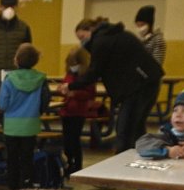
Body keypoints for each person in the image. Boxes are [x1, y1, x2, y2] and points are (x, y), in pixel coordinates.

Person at [64, 17, 163, 153]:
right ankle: (138, 155)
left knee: (126, 128)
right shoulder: (112, 35)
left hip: (140, 85)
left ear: (90, 30)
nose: (82, 42)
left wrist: (71, 86)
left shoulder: (102, 41)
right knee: (135, 126)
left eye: (82, 37)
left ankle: (124, 159)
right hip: (144, 82)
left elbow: (94, 71)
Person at [0, 43, 50, 190]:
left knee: (12, 159)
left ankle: (12, 187)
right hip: (31, 125)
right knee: (27, 158)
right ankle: (27, 184)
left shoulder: (9, 79)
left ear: (17, 59)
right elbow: (45, 101)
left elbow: (2, 104)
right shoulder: (41, 79)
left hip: (12, 127)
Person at [58, 47, 96, 174]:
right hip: (66, 111)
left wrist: (73, 94)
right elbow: (64, 85)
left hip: (78, 112)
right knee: (67, 140)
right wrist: (62, 89)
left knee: (74, 139)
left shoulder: (86, 77)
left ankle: (77, 165)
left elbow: (90, 94)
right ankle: (69, 162)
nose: (73, 66)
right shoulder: (69, 74)